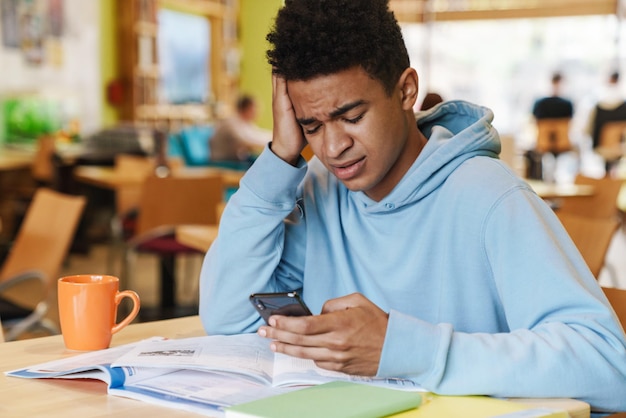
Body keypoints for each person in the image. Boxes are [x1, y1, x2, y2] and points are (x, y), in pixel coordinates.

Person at [199, 0, 626, 413]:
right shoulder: (318, 190)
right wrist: (279, 159)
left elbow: (609, 368)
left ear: (406, 91)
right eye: (311, 125)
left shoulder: (490, 197)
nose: (333, 147)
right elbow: (228, 318)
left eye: (351, 116)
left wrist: (402, 349)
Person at [209, 94, 271, 164]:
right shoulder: (231, 124)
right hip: (223, 162)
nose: (258, 112)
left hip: (237, 159)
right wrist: (272, 142)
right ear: (246, 109)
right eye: (255, 108)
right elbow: (247, 141)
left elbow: (258, 134)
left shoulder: (245, 123)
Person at [585, 71, 626, 149]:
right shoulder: (624, 104)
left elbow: (587, 131)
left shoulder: (597, 104)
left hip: (600, 148)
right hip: (620, 148)